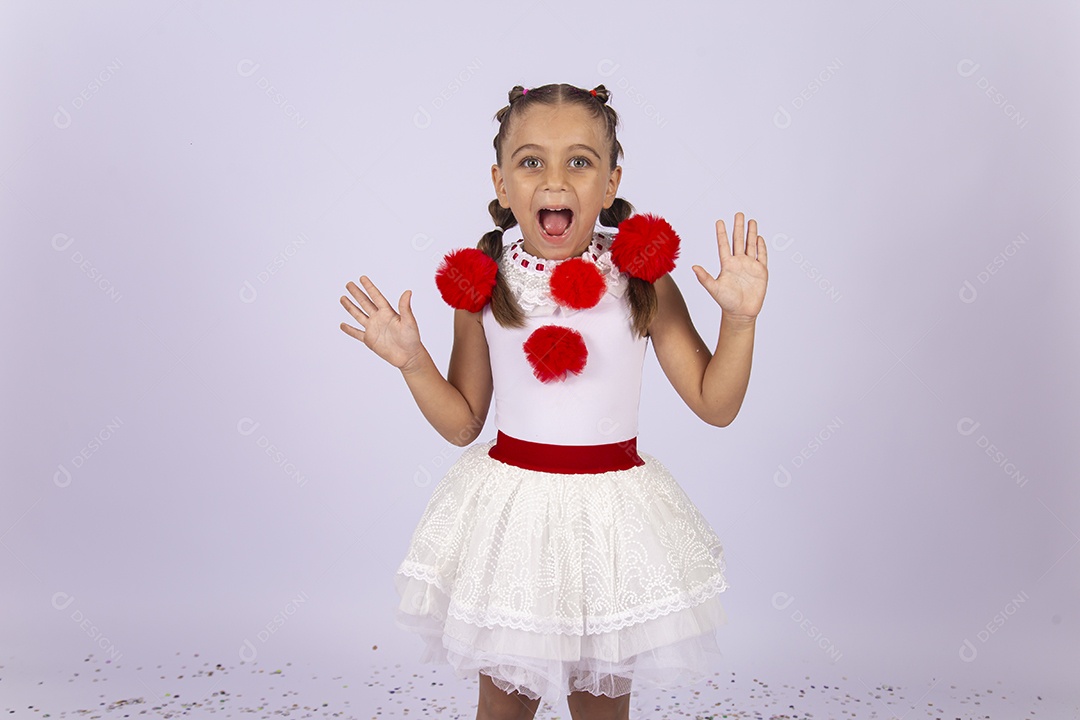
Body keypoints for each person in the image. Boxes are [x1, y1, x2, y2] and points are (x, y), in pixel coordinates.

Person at [339, 82, 768, 720]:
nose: (555, 180)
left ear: (612, 181)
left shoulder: (642, 279)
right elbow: (462, 424)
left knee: (601, 707)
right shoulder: (480, 288)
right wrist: (413, 361)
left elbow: (716, 404)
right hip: (515, 522)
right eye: (532, 161)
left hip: (612, 524)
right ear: (502, 182)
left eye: (580, 161)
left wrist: (739, 321)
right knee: (504, 706)